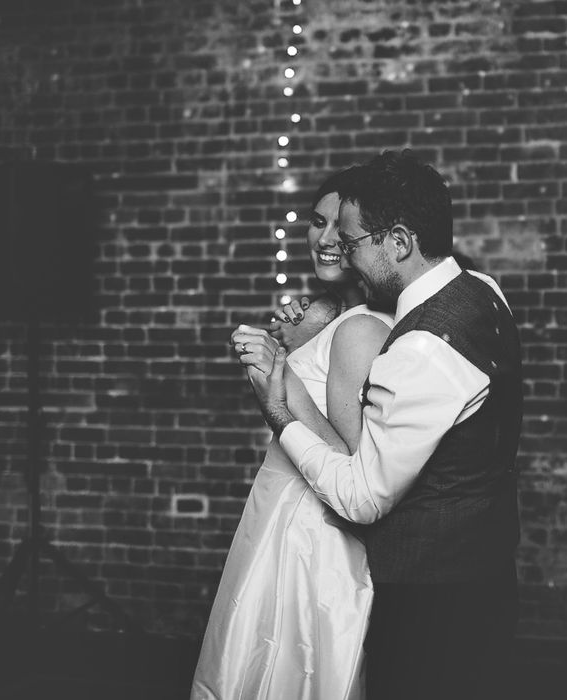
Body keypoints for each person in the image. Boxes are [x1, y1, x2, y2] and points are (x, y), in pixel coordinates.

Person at [234, 149, 523, 699]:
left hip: (432, 604)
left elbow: (363, 496)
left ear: (398, 241)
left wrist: (278, 407)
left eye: (355, 242)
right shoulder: (483, 290)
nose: (345, 253)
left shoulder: (420, 348)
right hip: (484, 574)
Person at [190, 167, 393, 700]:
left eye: (340, 228)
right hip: (282, 510)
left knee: (303, 667)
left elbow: (358, 466)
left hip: (322, 534)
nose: (325, 239)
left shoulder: (366, 328)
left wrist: (282, 379)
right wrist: (303, 332)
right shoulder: (328, 314)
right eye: (317, 222)